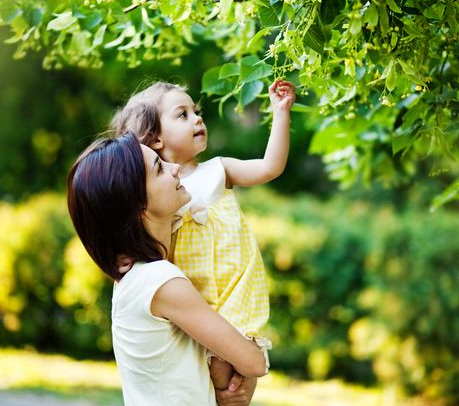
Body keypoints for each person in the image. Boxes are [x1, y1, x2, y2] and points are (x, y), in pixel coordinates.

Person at [111, 79, 296, 393]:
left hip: (233, 292)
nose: (197, 118)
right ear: (154, 137)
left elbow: (269, 168)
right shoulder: (154, 195)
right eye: (182, 115)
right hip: (195, 301)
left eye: (196, 111)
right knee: (213, 381)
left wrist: (281, 114)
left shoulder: (219, 170)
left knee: (230, 382)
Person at [67, 132, 267, 406]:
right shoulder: (160, 281)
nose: (175, 168)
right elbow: (253, 362)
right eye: (159, 167)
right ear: (140, 205)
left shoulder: (139, 278)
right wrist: (249, 367)